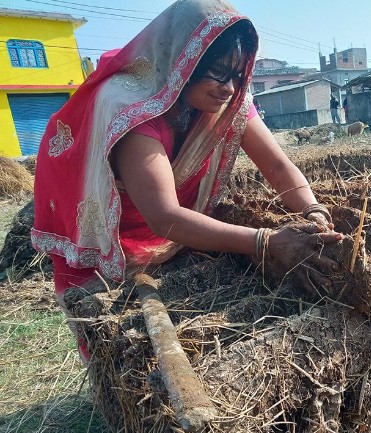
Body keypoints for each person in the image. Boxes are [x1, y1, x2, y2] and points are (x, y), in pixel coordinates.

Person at [31, 0, 342, 362]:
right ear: (183, 60)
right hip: (106, 232)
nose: (229, 88)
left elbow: (276, 164)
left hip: (170, 232)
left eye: (239, 76)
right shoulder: (131, 108)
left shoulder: (229, 101)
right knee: (115, 347)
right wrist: (267, 241)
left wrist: (314, 211)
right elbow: (164, 215)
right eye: (218, 72)